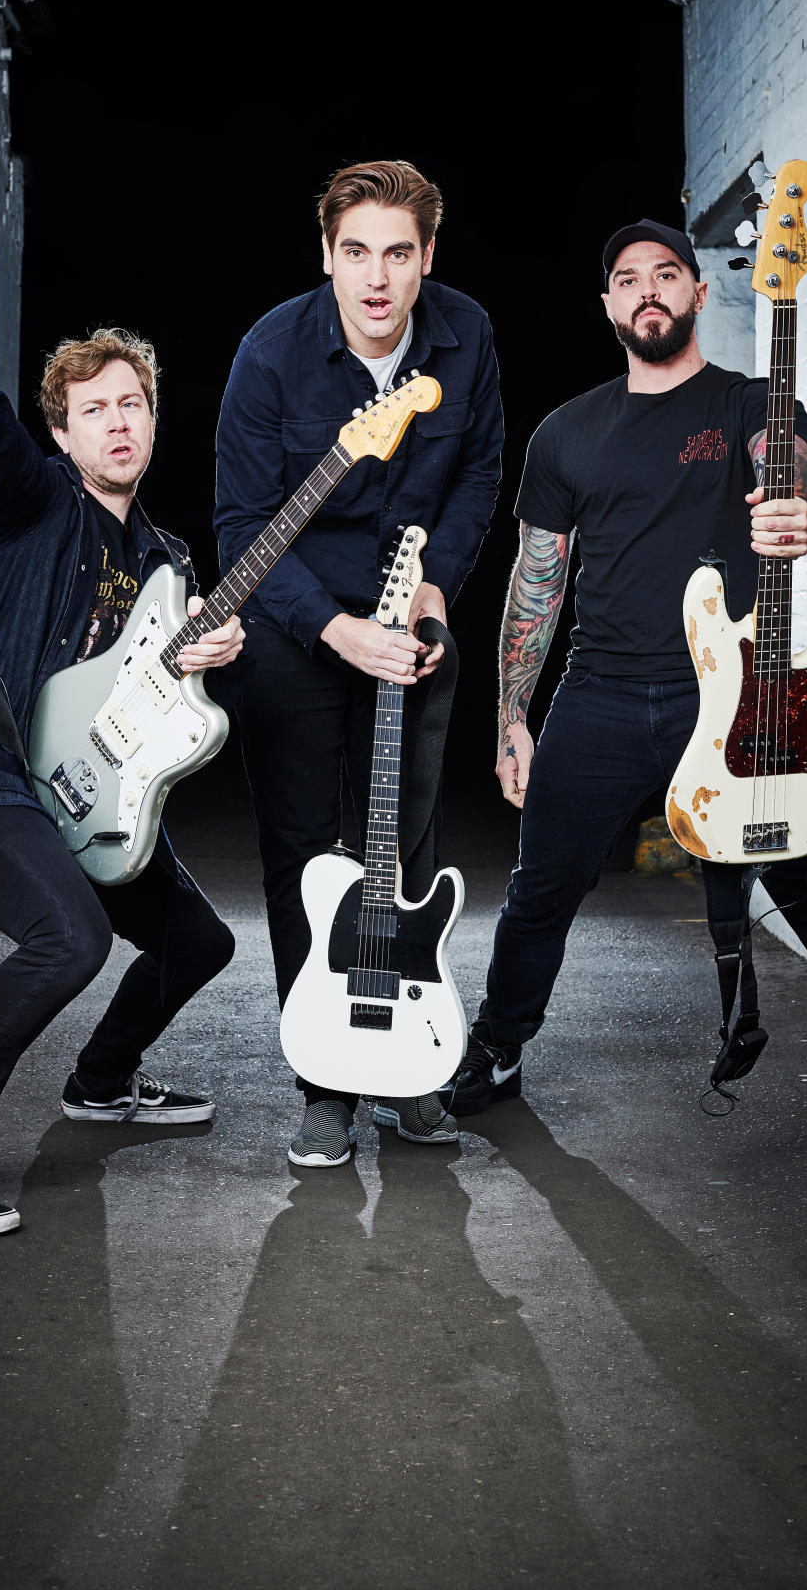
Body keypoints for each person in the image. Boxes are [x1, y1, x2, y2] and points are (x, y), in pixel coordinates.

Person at [443, 219, 807, 1201]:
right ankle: (498, 1051)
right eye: (628, 279)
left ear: (694, 293)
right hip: (598, 698)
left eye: (667, 275)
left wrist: (798, 505)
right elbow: (535, 583)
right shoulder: (566, 432)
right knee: (540, 892)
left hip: (733, 704)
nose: (648, 291)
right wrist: (513, 717)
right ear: (608, 305)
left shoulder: (749, 407)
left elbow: (794, 470)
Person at [0, 330, 244, 1235]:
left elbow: (154, 697)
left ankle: (102, 1081)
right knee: (69, 937)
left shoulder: (168, 558)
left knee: (198, 941)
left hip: (79, 791)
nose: (116, 423)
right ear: (64, 433)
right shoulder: (35, 502)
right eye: (93, 411)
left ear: (153, 420)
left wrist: (211, 657)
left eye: (132, 404)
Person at [214, 160, 503, 1167]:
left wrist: (437, 589)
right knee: (303, 861)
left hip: (412, 608)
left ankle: (411, 1070)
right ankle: (327, 1084)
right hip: (301, 628)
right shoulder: (270, 353)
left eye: (397, 253)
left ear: (428, 258)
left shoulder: (468, 340)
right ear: (326, 255)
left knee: (404, 849)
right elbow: (243, 524)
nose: (375, 279)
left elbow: (478, 476)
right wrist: (335, 628)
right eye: (354, 253)